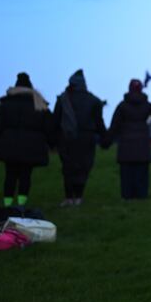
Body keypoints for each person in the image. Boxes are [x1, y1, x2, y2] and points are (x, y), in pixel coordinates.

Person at [0, 72, 52, 207]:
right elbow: (49, 126)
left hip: (9, 145)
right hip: (32, 146)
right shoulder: (39, 104)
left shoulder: (5, 103)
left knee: (10, 175)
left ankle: (7, 204)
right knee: (25, 175)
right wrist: (52, 144)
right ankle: (21, 204)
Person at [52, 69, 107, 207]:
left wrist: (51, 140)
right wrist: (106, 138)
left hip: (66, 138)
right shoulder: (94, 101)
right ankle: (79, 197)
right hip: (87, 138)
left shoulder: (63, 99)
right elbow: (99, 122)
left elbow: (55, 121)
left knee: (68, 167)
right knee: (83, 167)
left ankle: (69, 197)